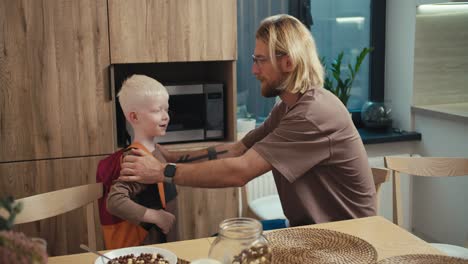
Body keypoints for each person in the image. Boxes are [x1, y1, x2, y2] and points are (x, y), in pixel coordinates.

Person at [118, 15, 376, 227]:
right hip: (311, 233)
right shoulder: (287, 107)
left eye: (261, 60)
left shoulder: (313, 114)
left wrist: (161, 172)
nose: (254, 70)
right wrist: (170, 155)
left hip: (348, 239)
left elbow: (240, 170)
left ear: (288, 62)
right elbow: (237, 149)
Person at [97, 74, 177, 249]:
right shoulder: (136, 157)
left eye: (166, 109)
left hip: (162, 247)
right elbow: (115, 201)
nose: (166, 116)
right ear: (134, 117)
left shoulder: (156, 150)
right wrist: (157, 216)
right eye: (157, 110)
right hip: (146, 250)